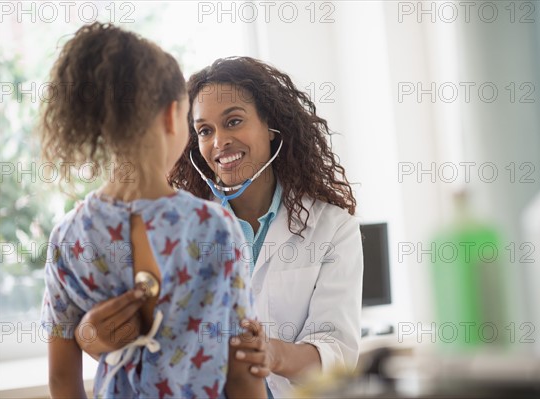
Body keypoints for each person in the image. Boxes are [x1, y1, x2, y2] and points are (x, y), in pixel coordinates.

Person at [76, 56, 364, 397]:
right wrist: (94, 337)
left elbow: (337, 353)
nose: (219, 142)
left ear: (271, 127)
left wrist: (272, 353)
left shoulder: (333, 228)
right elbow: (145, 344)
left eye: (234, 121)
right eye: (204, 131)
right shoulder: (176, 230)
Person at [39, 24, 266, 399]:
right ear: (171, 115)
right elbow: (244, 374)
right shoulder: (213, 228)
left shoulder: (67, 236)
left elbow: (62, 381)